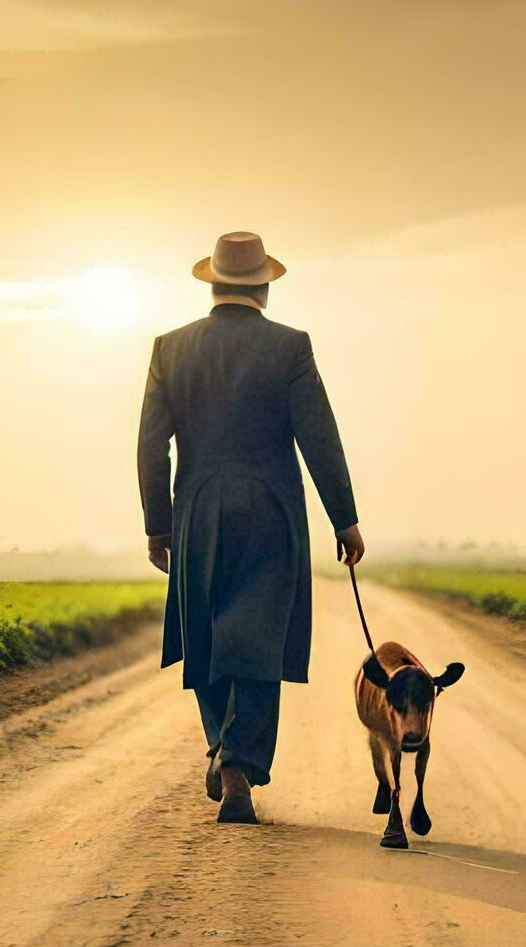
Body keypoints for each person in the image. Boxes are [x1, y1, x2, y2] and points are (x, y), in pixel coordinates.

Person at [138, 231, 365, 824]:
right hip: (272, 514)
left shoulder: (170, 349)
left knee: (206, 637)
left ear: (212, 284)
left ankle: (222, 745)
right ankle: (238, 761)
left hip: (197, 514)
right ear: (264, 287)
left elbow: (150, 445)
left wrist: (157, 525)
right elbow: (320, 438)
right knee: (260, 645)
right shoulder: (291, 347)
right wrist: (345, 518)